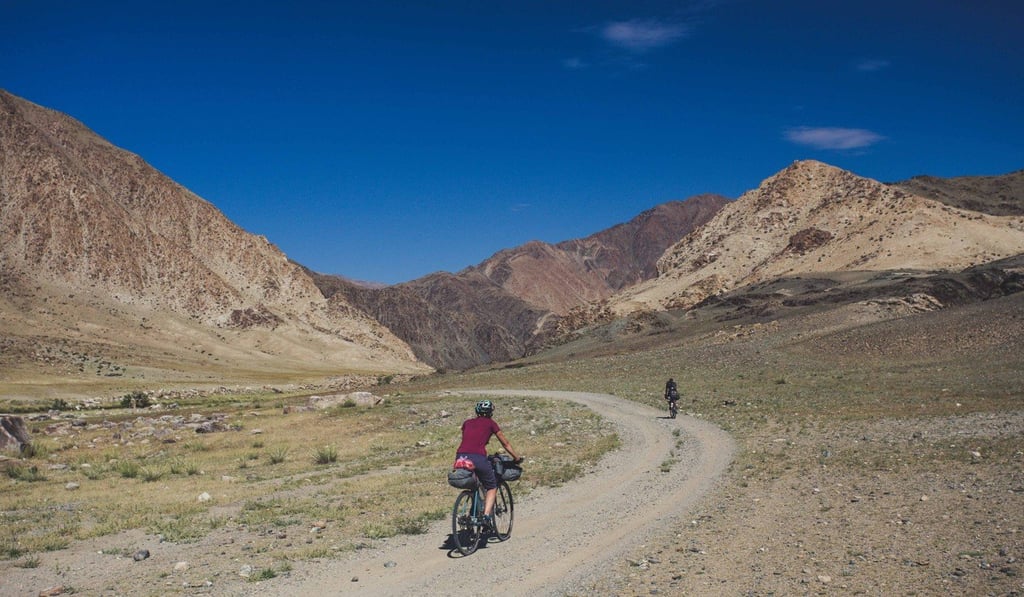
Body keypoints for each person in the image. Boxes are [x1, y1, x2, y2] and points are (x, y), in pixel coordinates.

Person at [455, 399, 522, 528]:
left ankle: (473, 512)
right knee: (491, 486)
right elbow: (505, 443)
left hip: (461, 456)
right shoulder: (491, 424)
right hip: (478, 457)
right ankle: (485, 516)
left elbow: (470, 439)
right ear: (491, 412)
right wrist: (516, 457)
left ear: (477, 411)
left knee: (474, 483)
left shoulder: (467, 423)